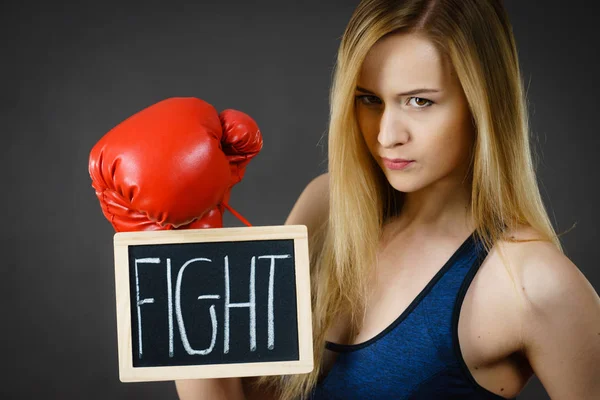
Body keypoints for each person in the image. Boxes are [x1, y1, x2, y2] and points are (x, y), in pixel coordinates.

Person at [175, 0, 600, 399]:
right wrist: (180, 242)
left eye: (419, 101)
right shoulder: (325, 207)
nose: (386, 135)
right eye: (369, 100)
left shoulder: (531, 282)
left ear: (482, 104)